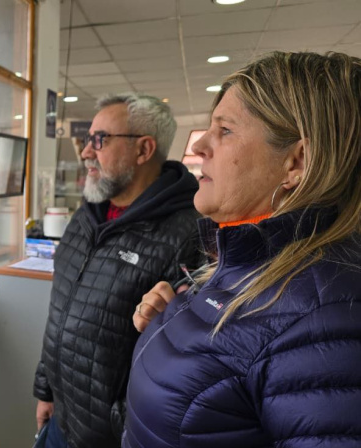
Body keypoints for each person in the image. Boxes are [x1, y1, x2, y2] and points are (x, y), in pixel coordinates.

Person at [123, 52, 361, 448]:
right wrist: (171, 328)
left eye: (225, 130)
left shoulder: (328, 317)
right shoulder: (250, 259)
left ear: (296, 161)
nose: (199, 144)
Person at [33, 93, 203, 448]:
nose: (85, 153)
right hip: (61, 421)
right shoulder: (85, 217)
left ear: (143, 150)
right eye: (87, 140)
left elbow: (180, 362)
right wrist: (46, 390)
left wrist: (121, 427)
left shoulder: (189, 234)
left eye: (99, 140)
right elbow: (60, 312)